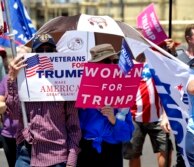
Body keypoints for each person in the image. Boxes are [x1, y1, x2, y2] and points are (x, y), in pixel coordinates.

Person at [8, 33, 81, 167]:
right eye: (40, 50)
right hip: (27, 154)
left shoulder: (66, 84)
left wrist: (71, 158)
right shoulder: (22, 79)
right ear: (33, 54)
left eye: (49, 50)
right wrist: (12, 79)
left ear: (55, 53)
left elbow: (73, 127)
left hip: (57, 156)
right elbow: (13, 114)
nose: (44, 54)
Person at [77, 43, 134, 167]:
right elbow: (73, 128)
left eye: (115, 61)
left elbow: (127, 135)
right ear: (94, 65)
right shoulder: (81, 90)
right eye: (107, 61)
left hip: (112, 152)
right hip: (87, 151)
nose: (113, 65)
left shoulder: (122, 92)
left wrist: (114, 121)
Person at [122, 51, 173, 167]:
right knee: (133, 154)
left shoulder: (156, 60)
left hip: (158, 117)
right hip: (133, 118)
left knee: (165, 149)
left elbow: (167, 88)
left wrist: (166, 115)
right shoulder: (125, 62)